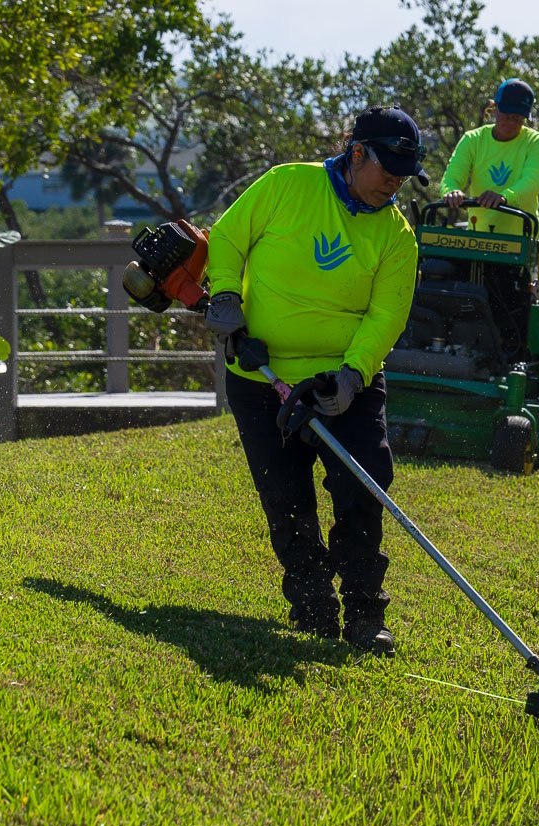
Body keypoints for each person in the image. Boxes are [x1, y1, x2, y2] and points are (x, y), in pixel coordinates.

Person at [203, 107, 425, 655]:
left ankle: (364, 613)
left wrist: (351, 377)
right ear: (356, 155)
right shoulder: (287, 184)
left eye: (405, 171)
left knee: (364, 485)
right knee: (286, 497)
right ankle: (312, 604)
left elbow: (386, 315)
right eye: (388, 167)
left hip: (342, 382)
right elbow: (229, 238)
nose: (396, 181)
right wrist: (228, 295)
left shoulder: (398, 235)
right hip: (260, 377)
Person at [440, 78, 539, 236]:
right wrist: (451, 191)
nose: (511, 122)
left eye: (518, 118)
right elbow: (451, 177)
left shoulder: (536, 142)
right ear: (494, 108)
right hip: (478, 237)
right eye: (507, 115)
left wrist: (504, 197)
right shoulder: (473, 139)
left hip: (522, 240)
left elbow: (532, 181)